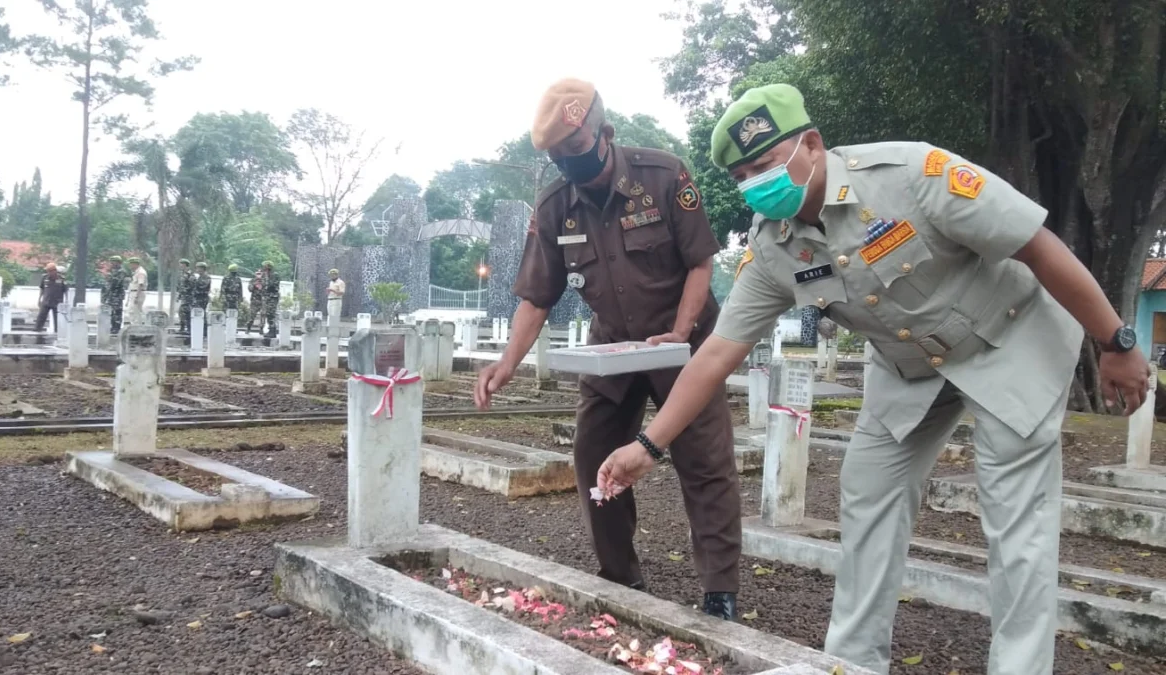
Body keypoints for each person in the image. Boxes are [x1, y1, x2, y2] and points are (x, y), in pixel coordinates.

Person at [594, 83, 1154, 675]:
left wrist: (1115, 340)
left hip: (1007, 340)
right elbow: (714, 355)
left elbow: (1037, 246)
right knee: (866, 496)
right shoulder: (775, 246)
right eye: (741, 177)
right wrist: (647, 444)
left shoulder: (910, 174)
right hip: (908, 367)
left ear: (810, 144)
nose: (754, 184)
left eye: (763, 165)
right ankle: (853, 663)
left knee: (1016, 523)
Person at [473, 78, 742, 619]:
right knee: (592, 454)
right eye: (557, 156)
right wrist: (507, 361)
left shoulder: (661, 174)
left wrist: (682, 330)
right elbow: (536, 295)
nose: (568, 163)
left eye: (575, 149)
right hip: (612, 347)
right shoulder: (553, 205)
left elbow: (699, 263)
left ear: (605, 135)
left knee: (703, 460)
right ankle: (620, 578)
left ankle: (719, 591)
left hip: (681, 344)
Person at [34, 263, 68, 332]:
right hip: (46, 301)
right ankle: (37, 330)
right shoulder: (44, 278)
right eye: (48, 271)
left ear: (54, 271)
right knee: (41, 316)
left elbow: (66, 290)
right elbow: (42, 289)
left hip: (57, 302)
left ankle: (57, 332)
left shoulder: (62, 279)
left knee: (57, 319)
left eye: (50, 271)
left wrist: (66, 301)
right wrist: (39, 299)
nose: (48, 273)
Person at [103, 255, 127, 334]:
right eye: (112, 262)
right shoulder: (113, 271)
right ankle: (113, 327)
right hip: (112, 295)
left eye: (114, 262)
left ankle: (116, 328)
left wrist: (109, 277)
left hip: (117, 295)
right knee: (112, 312)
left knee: (117, 312)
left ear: (118, 262)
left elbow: (116, 283)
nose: (112, 263)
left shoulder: (121, 271)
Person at [125, 257, 148, 324]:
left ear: (135, 264)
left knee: (135, 311)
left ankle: (136, 326)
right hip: (134, 293)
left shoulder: (141, 272)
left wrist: (136, 297)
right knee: (133, 311)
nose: (130, 266)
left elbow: (140, 285)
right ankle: (135, 325)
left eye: (130, 264)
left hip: (138, 293)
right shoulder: (136, 272)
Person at [261, 261, 280, 338]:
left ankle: (273, 331)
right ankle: (271, 330)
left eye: (264, 267)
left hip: (273, 296)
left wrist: (265, 281)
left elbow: (271, 285)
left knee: (271, 313)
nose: (263, 268)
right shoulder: (268, 275)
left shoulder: (274, 275)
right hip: (269, 296)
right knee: (268, 314)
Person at [176, 259, 194, 335]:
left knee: (186, 312)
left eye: (181, 264)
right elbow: (180, 286)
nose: (180, 266)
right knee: (181, 312)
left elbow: (192, 285)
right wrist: (179, 295)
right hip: (183, 296)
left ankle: (188, 329)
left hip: (188, 297)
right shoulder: (182, 274)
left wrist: (185, 290)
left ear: (185, 265)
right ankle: (183, 328)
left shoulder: (190, 274)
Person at [192, 262, 212, 332]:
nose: (197, 270)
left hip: (202, 298)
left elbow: (203, 286)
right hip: (197, 298)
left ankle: (204, 331)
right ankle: (199, 329)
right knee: (198, 314)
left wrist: (195, 284)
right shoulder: (199, 277)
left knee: (201, 314)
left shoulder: (206, 277)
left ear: (202, 269)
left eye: (198, 268)